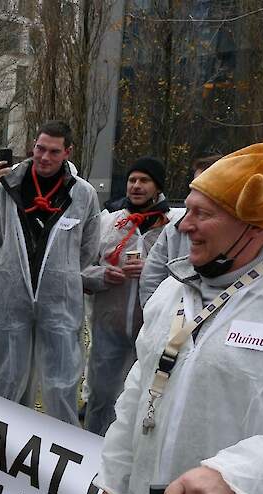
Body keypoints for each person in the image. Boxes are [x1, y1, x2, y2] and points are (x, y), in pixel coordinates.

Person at [97, 115, 263, 494]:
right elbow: (140, 389)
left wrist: (239, 474)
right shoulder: (174, 290)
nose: (182, 225)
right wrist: (117, 477)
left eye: (201, 214)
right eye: (186, 209)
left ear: (253, 224)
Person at [0, 121, 100, 425]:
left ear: (67, 152)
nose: (44, 157)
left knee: (61, 382)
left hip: (59, 300)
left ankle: (61, 449)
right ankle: (2, 449)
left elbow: (87, 248)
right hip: (11, 297)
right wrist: (6, 275)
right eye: (40, 148)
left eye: (53, 151)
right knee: (9, 376)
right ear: (33, 145)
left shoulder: (83, 194)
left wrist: (62, 271)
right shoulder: (8, 188)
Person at [81, 158, 170, 436]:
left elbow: (185, 274)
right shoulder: (109, 222)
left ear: (157, 187)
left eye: (144, 180)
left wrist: (154, 272)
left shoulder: (171, 228)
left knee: (142, 399)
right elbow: (82, 269)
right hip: (109, 327)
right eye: (132, 180)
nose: (136, 186)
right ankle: (91, 449)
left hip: (152, 329)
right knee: (102, 396)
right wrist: (105, 275)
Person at [139, 154, 222, 305]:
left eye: (204, 185)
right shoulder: (174, 227)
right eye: (194, 185)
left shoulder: (243, 232)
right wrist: (157, 315)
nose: (186, 227)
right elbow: (151, 276)